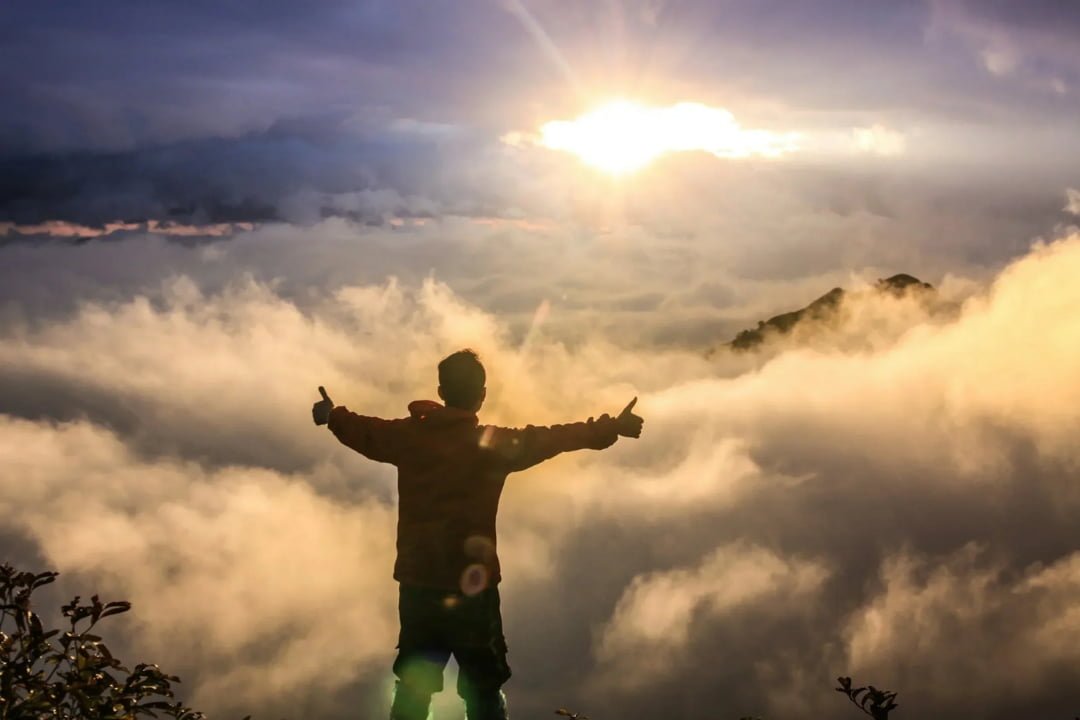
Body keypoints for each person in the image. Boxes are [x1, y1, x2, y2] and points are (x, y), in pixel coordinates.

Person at [312, 349, 643, 720]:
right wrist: (611, 426)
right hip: (474, 589)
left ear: (441, 390)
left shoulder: (408, 437)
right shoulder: (492, 445)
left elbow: (364, 432)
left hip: (419, 585)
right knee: (483, 689)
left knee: (414, 688)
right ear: (481, 394)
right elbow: (553, 437)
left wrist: (332, 416)